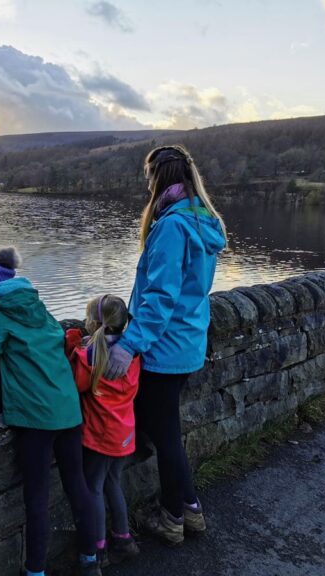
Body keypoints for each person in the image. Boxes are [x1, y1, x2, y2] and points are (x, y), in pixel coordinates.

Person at [104, 145, 227, 545]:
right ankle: (190, 510)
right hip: (187, 341)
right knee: (167, 433)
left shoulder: (174, 226)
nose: (146, 185)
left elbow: (160, 295)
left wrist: (129, 345)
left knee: (165, 437)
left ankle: (172, 518)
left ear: (158, 178)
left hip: (164, 348)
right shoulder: (201, 218)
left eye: (148, 177)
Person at [0, 247, 102, 576]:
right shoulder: (34, 303)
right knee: (77, 484)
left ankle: (36, 571)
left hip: (36, 416)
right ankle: (90, 558)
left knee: (37, 497)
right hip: (68, 408)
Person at [65, 295, 141, 567]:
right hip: (124, 433)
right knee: (113, 482)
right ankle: (123, 538)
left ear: (95, 323)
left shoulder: (89, 356)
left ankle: (97, 549)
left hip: (99, 436)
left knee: (93, 488)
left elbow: (78, 385)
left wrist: (73, 347)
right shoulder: (130, 354)